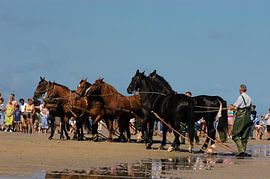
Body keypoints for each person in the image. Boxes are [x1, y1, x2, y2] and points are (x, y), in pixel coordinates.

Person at [232, 84, 253, 157]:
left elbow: (235, 107)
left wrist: (230, 107)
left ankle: (241, 151)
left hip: (241, 118)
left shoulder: (240, 97)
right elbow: (251, 108)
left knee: (235, 135)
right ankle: (243, 150)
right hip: (248, 118)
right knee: (244, 136)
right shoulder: (249, 98)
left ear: (240, 89)